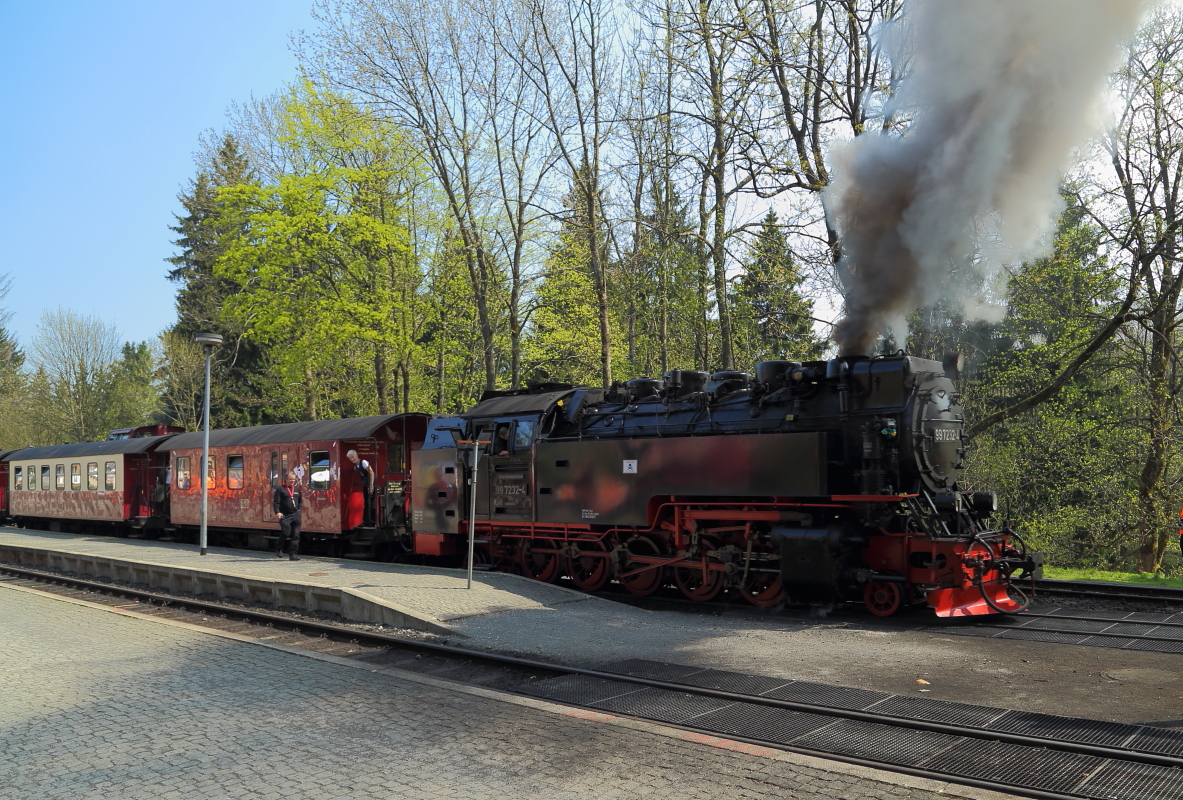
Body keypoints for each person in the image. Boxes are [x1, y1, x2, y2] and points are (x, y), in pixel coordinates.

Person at [273, 471, 303, 561]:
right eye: (290, 479)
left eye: (294, 479)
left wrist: (299, 511)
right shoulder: (280, 489)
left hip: (295, 515)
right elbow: (276, 502)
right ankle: (278, 548)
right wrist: (277, 512)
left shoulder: (297, 490)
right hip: (285, 515)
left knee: (295, 535)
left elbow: (300, 501)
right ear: (286, 480)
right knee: (286, 533)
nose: (292, 481)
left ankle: (292, 555)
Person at [346, 450, 376, 526]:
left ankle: (371, 522)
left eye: (353, 457)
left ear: (356, 455)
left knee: (370, 503)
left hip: (370, 484)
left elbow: (371, 472)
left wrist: (371, 484)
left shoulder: (364, 462)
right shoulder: (356, 466)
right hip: (365, 485)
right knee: (366, 503)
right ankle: (366, 521)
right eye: (350, 458)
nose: (352, 459)